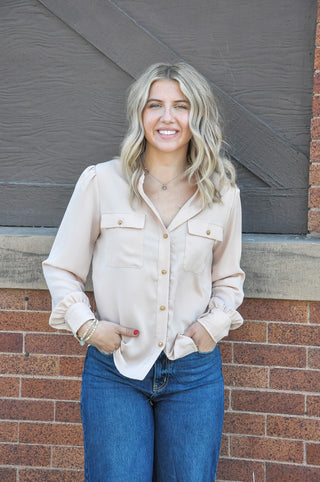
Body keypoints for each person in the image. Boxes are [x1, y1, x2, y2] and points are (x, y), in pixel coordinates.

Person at [43, 62, 245, 481]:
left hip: (193, 373)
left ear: (198, 116)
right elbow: (62, 267)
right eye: (155, 105)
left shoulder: (223, 194)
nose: (167, 117)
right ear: (140, 114)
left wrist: (215, 323)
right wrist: (86, 327)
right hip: (115, 372)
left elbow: (229, 279)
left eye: (181, 106)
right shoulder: (101, 182)